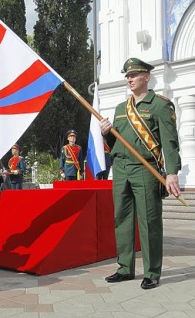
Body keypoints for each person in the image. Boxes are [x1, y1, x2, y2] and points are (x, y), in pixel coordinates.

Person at [100, 58, 181, 290]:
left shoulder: (160, 105)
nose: (129, 78)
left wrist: (172, 173)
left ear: (147, 76)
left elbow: (170, 142)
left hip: (146, 170)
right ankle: (125, 268)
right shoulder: (120, 109)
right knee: (122, 220)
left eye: (134, 74)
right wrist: (107, 134)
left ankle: (152, 271)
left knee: (149, 221)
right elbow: (116, 143)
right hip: (122, 170)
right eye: (127, 75)